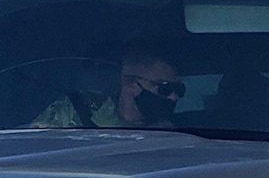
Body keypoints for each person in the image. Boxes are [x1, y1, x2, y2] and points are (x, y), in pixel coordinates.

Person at [32, 45, 184, 129]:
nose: (173, 97)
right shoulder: (72, 112)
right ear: (130, 84)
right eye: (165, 88)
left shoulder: (171, 134)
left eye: (179, 90)